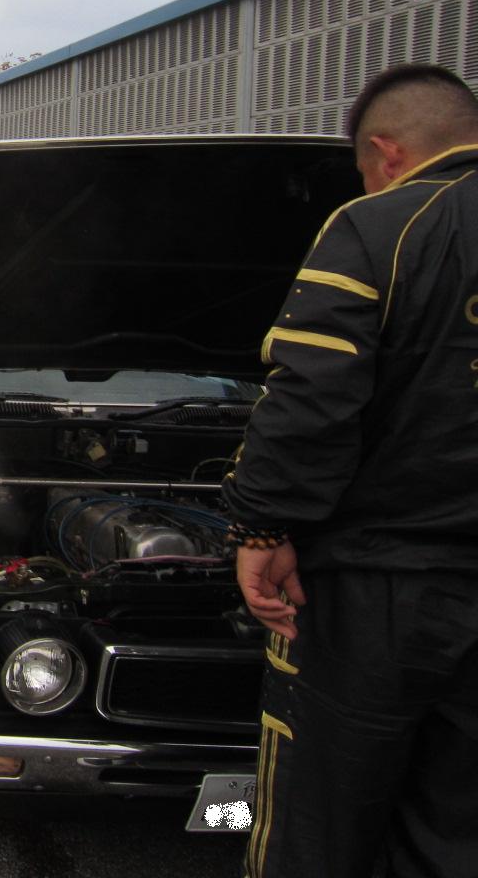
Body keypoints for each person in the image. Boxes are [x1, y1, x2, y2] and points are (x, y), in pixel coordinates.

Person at [221, 62, 478, 877]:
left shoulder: (382, 224)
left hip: (377, 594)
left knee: (319, 823)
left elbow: (311, 398)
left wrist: (260, 527)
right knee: (458, 830)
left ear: (386, 153)